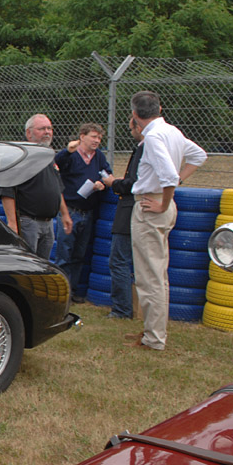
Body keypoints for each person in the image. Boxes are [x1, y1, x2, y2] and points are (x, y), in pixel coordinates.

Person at [126, 91, 207, 351]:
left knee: (149, 276)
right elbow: (199, 157)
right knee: (157, 273)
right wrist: (170, 194)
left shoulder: (153, 137)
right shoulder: (173, 132)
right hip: (163, 205)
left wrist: (162, 200)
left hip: (152, 206)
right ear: (159, 108)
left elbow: (169, 177)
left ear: (135, 115)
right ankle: (153, 330)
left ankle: (154, 339)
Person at [0, 113, 72, 259]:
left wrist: (65, 214)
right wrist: (12, 223)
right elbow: (6, 191)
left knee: (42, 267)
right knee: (27, 265)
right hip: (28, 223)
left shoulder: (48, 156)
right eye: (42, 129)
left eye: (49, 128)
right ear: (29, 133)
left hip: (48, 224)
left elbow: (57, 188)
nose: (47, 132)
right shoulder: (18, 156)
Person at [53, 122, 110, 297]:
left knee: (79, 254)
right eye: (93, 136)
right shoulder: (70, 155)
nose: (97, 141)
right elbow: (55, 164)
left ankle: (74, 291)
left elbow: (107, 173)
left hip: (88, 212)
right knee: (64, 254)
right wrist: (67, 151)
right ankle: (60, 293)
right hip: (70, 210)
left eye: (99, 138)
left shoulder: (98, 156)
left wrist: (103, 183)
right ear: (82, 136)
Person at [99, 117, 144, 319]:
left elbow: (133, 183)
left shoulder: (145, 149)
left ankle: (122, 310)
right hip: (140, 210)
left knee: (119, 260)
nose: (130, 132)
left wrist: (113, 182)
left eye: (131, 127)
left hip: (130, 210)